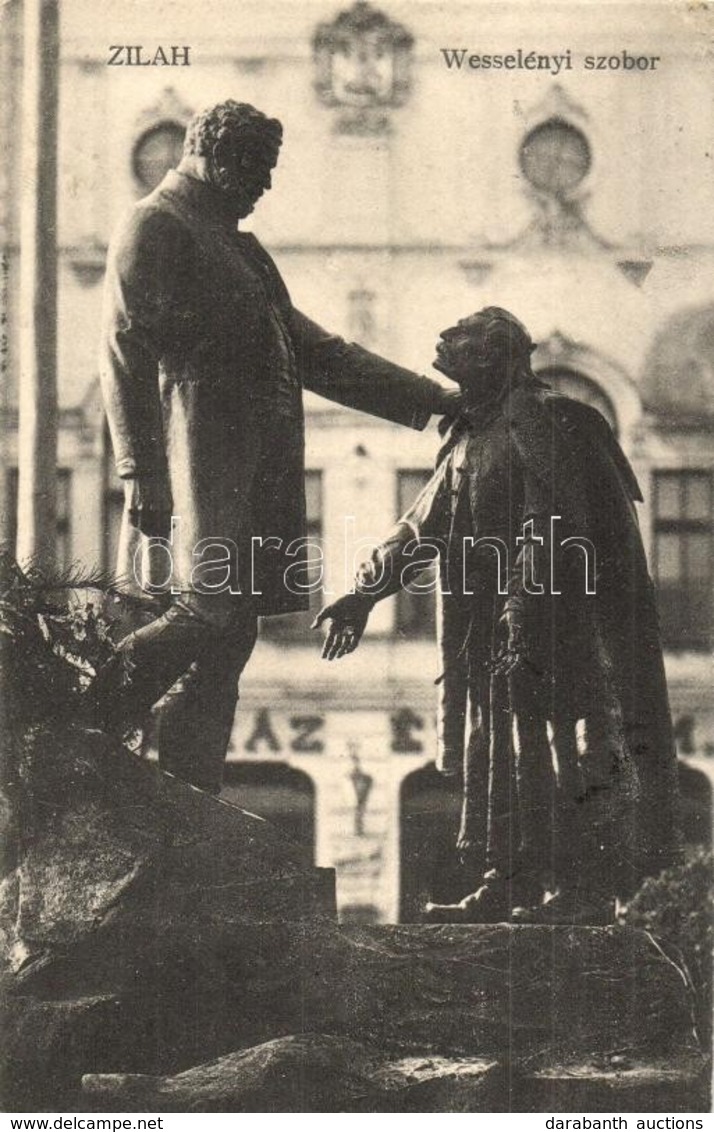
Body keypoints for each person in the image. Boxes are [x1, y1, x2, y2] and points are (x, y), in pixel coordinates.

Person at [99, 100, 457, 794]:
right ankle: (78, 721)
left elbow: (320, 353)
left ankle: (190, 800)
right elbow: (123, 351)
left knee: (230, 636)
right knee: (209, 610)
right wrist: (139, 471)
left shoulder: (238, 246)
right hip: (195, 452)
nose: (264, 184)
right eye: (257, 168)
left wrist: (433, 398)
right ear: (212, 153)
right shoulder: (157, 223)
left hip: (253, 463)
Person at [314, 307, 681, 924]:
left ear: (496, 355)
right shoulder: (467, 435)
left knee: (569, 750)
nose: (443, 344)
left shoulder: (548, 419)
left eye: (457, 341)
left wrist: (524, 602)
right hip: (493, 632)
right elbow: (418, 529)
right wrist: (363, 593)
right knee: (502, 756)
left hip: (563, 628)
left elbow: (552, 522)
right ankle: (507, 881)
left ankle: (584, 891)